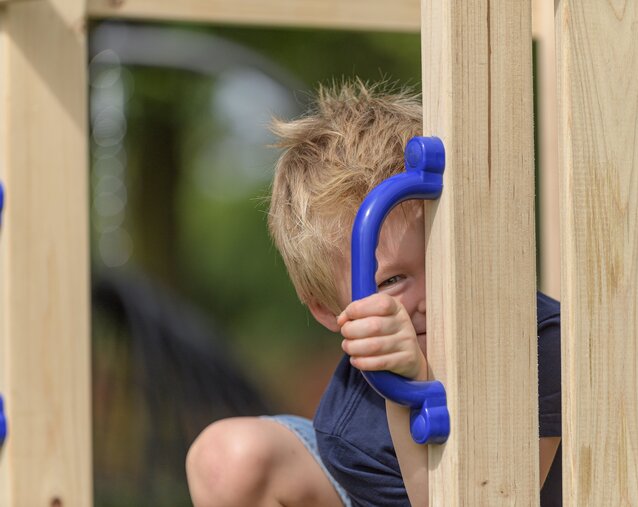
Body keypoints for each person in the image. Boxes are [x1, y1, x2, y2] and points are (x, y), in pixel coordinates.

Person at [186, 80, 562, 506]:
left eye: (443, 259)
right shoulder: (349, 423)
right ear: (330, 311)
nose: (430, 296)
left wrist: (411, 389)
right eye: (391, 281)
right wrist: (402, 382)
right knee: (225, 458)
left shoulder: (536, 342)